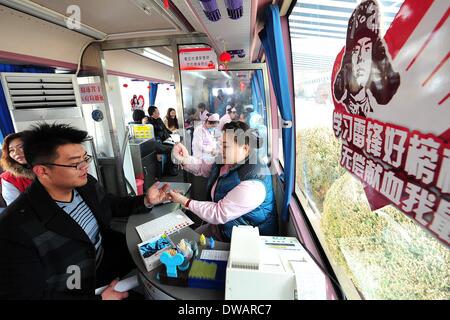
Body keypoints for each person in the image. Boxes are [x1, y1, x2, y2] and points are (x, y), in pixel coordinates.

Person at [0, 123, 171, 299]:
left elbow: (110, 204)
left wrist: (146, 200)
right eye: (75, 164)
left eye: (85, 158)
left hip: (108, 259)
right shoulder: (14, 228)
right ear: (42, 171)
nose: (85, 167)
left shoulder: (84, 183)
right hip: (79, 287)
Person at [169, 121, 278, 242]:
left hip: (241, 241)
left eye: (225, 146)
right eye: (220, 145)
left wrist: (184, 201)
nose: (221, 150)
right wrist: (184, 159)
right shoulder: (230, 162)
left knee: (188, 245)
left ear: (245, 149)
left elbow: (218, 213)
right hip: (222, 228)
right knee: (186, 243)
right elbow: (203, 167)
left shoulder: (253, 184)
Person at [333, 0, 400, 117]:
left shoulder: (377, 110)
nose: (360, 58)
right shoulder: (344, 106)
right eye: (356, 50)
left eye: (367, 49)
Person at [0, 132, 34, 205]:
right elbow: (15, 207)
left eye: (21, 147)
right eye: (11, 150)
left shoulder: (53, 167)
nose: (16, 153)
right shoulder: (9, 178)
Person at [147, 106, 179, 176]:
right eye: (157, 112)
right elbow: (156, 132)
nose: (159, 113)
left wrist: (172, 134)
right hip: (159, 141)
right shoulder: (149, 122)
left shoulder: (159, 119)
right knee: (172, 148)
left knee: (178, 143)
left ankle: (175, 165)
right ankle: (170, 169)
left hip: (166, 138)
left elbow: (165, 129)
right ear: (153, 113)